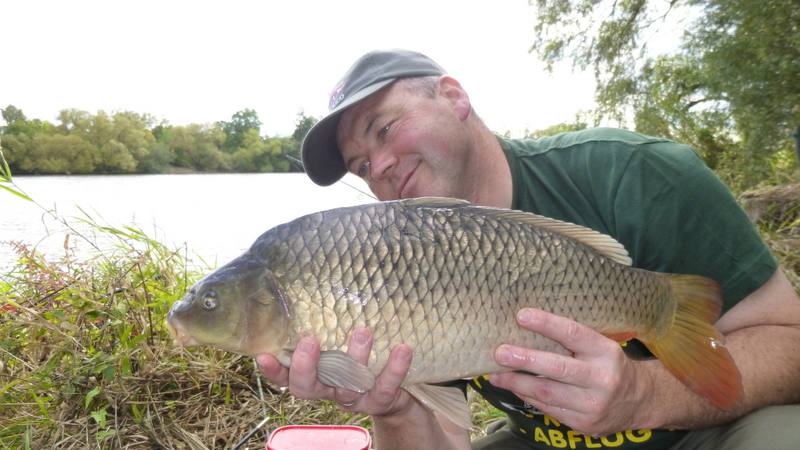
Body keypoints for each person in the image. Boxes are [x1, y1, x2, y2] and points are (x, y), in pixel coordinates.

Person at [256, 49, 800, 449]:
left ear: (453, 96)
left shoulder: (632, 173)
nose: (379, 166)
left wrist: (646, 395)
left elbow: (791, 343)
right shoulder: (404, 256)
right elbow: (443, 439)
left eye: (384, 129)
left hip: (694, 435)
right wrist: (395, 408)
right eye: (361, 166)